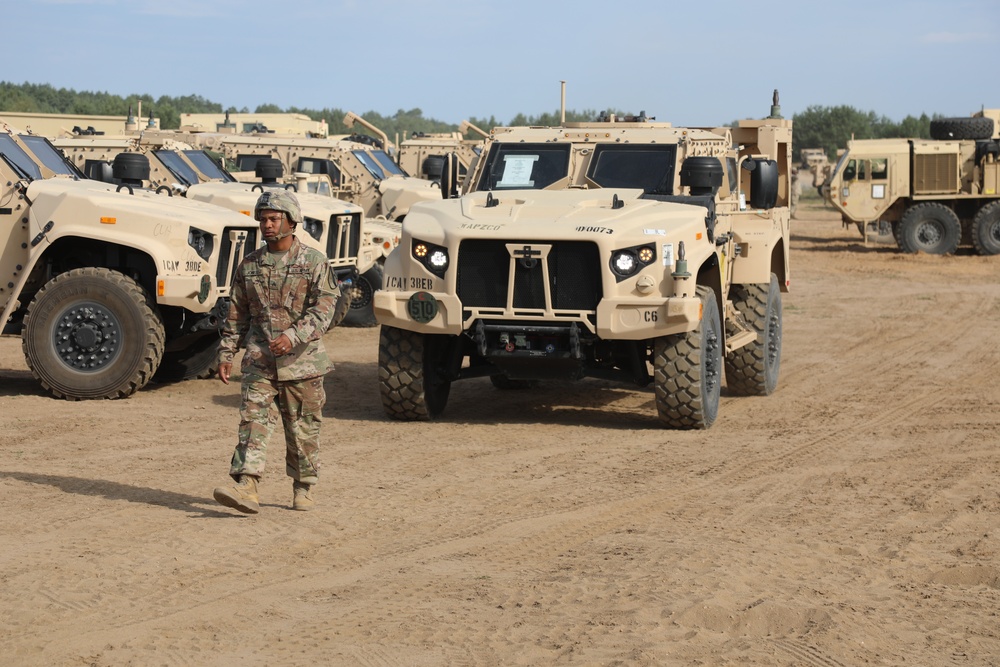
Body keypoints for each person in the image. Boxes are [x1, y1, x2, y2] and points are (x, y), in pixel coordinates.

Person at [213, 190, 339, 514]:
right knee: (252, 420)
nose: (267, 225)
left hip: (303, 363)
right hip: (260, 360)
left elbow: (324, 309)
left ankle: (304, 486)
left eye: (273, 219)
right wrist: (227, 352)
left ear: (291, 221)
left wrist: (294, 336)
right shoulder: (250, 266)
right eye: (263, 219)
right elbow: (237, 312)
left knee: (302, 429)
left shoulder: (314, 262)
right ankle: (247, 485)